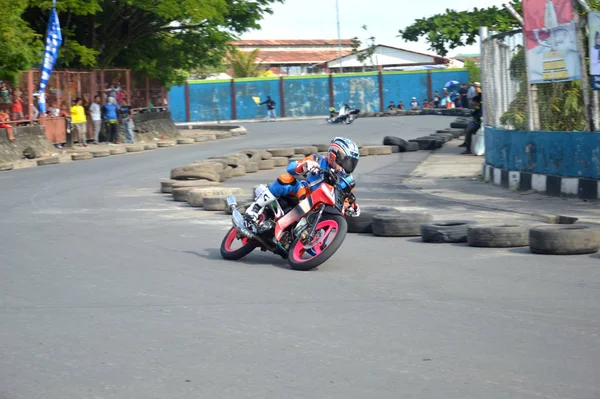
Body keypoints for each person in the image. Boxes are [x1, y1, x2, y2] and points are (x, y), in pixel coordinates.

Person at [245, 137, 362, 222]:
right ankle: (255, 207)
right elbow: (291, 168)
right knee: (286, 179)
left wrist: (351, 208)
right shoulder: (318, 159)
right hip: (304, 192)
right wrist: (305, 166)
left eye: (352, 163)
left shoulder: (348, 181)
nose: (349, 166)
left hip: (320, 209)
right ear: (334, 155)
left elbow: (346, 200)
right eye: (347, 161)